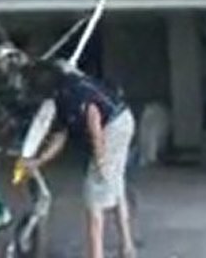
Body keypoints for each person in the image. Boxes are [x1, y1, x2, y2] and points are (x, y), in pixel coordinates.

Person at [23, 62, 137, 258]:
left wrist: (100, 156)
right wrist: (38, 161)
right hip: (123, 120)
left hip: (110, 128)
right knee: (115, 184)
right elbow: (60, 136)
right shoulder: (66, 90)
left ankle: (96, 254)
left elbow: (93, 116)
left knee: (93, 196)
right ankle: (127, 247)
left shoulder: (69, 92)